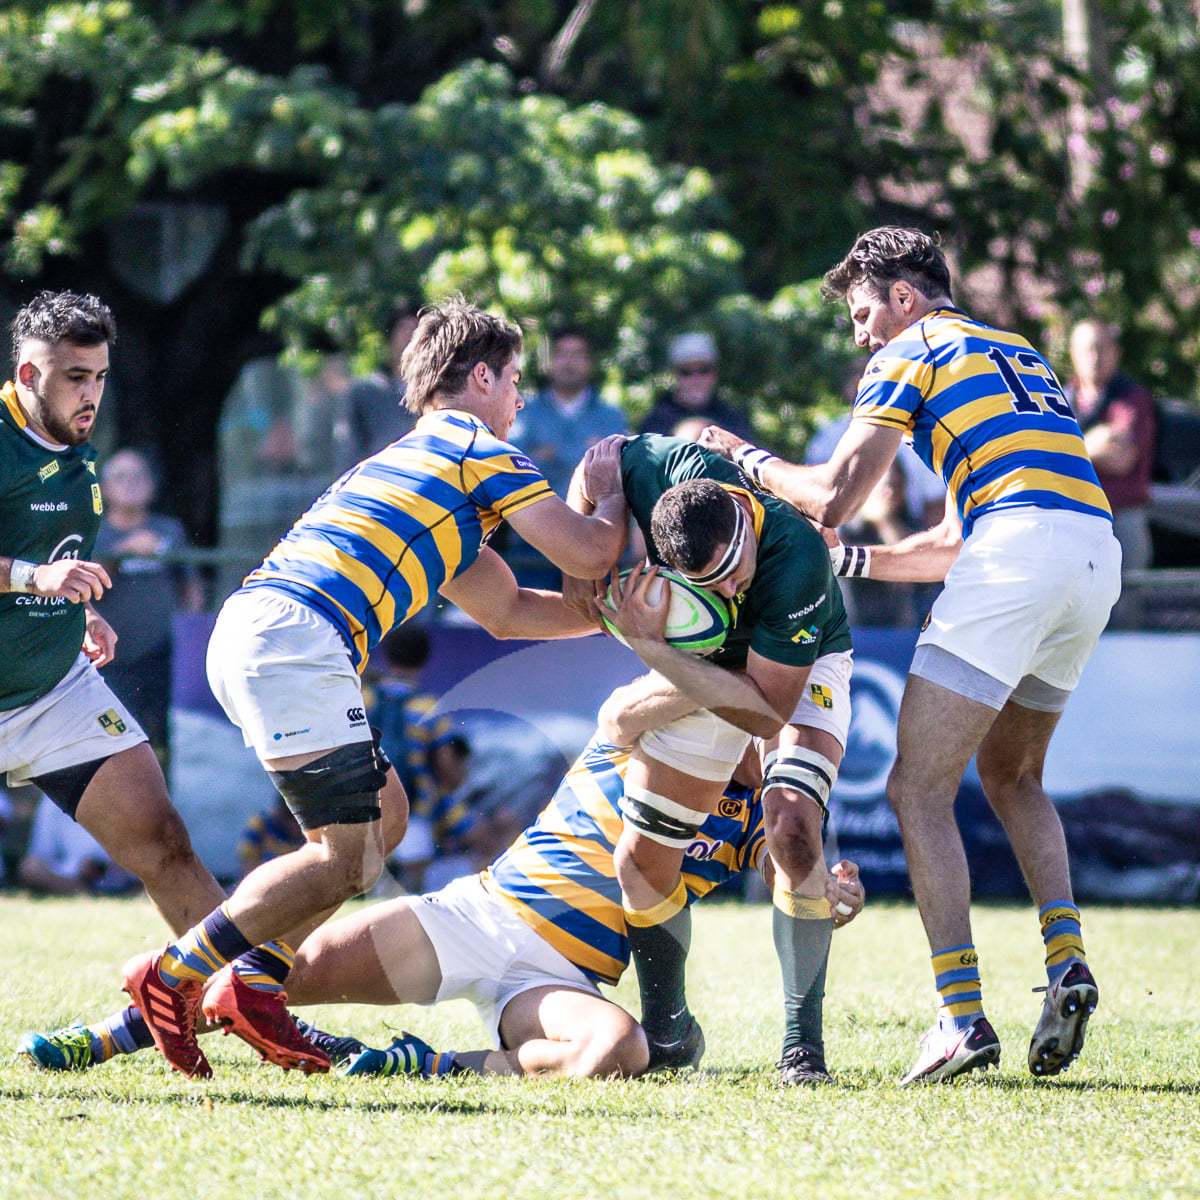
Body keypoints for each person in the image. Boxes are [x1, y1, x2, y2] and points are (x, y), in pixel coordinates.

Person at [117, 296, 631, 1082]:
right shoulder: (476, 448)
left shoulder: (424, 466)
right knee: (346, 859)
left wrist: (615, 619)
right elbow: (589, 554)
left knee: (384, 815)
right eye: (514, 380)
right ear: (481, 377)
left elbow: (507, 612)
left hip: (267, 632)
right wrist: (609, 483)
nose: (521, 399)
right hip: (296, 639)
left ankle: (254, 983)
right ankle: (177, 974)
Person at [699, 226, 1122, 1084]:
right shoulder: (1016, 350)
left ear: (903, 296)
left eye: (864, 314)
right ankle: (1066, 959)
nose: (861, 336)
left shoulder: (911, 348)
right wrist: (848, 562)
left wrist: (741, 454)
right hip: (1092, 555)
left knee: (916, 788)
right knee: (1014, 778)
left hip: (1016, 555)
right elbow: (953, 542)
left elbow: (834, 495)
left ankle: (960, 1016)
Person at [19, 686, 864, 1080]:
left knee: (618, 1052)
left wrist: (830, 894)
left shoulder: (768, 813)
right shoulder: (656, 733)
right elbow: (616, 712)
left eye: (784, 732)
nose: (772, 742)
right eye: (763, 720)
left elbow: (790, 876)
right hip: (480, 919)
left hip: (560, 983)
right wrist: (719, 672)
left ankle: (428, 1065)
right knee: (277, 977)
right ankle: (109, 1036)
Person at [572, 433, 856, 1084]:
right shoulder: (656, 468)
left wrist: (652, 648)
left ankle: (802, 1049)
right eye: (709, 583)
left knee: (792, 824)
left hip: (796, 664)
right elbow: (593, 470)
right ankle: (669, 1034)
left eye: (733, 569)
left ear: (743, 520)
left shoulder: (794, 553)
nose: (729, 588)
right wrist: (582, 563)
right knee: (640, 861)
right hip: (706, 662)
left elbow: (765, 713)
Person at [0, 289, 230, 994]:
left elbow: (53, 553)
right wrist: (36, 578)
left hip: (53, 689)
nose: (91, 394)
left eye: (100, 376)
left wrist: (79, 610)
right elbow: (35, 567)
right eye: (76, 377)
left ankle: (252, 1004)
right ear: (29, 374)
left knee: (165, 841)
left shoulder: (77, 450)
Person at [92, 447, 204, 766]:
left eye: (139, 476)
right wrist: (123, 551)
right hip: (109, 658)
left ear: (153, 485)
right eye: (121, 476)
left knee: (162, 740)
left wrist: (191, 630)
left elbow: (189, 583)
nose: (131, 483)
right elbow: (85, 589)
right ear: (104, 488)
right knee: (114, 741)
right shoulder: (94, 532)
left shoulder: (169, 530)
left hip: (162, 655)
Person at [504, 325, 630, 586]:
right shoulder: (522, 410)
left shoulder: (612, 416)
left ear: (590, 362)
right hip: (532, 544)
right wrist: (587, 455)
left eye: (577, 354)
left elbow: (619, 477)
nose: (569, 362)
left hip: (595, 541)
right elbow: (510, 472)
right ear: (549, 360)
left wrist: (547, 455)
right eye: (561, 354)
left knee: (598, 612)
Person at [1065, 318, 1158, 627]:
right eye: (1086, 349)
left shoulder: (1131, 398)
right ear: (1073, 353)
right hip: (1073, 520)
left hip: (1122, 520)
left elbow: (1121, 458)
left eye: (1101, 348)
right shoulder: (1060, 399)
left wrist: (1068, 449)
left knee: (1123, 614)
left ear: (1116, 352)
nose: (1094, 357)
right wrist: (1092, 444)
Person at [333, 303, 421, 469]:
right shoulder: (365, 391)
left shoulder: (440, 393)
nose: (410, 336)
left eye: (417, 330)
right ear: (390, 339)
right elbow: (348, 447)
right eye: (404, 329)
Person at [636, 333, 754, 444]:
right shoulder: (655, 422)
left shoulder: (733, 419)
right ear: (674, 375)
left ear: (715, 373)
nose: (696, 379)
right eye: (686, 372)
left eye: (704, 370)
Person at [18, 793, 139, 896]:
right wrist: (76, 867)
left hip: (126, 875)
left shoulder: (125, 790)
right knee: (31, 868)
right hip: (74, 878)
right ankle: (88, 896)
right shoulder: (52, 798)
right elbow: (41, 856)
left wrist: (121, 865)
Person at [236, 794, 305, 876]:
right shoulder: (261, 825)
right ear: (279, 813)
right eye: (288, 815)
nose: (293, 823)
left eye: (300, 816)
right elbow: (247, 859)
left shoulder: (313, 829)